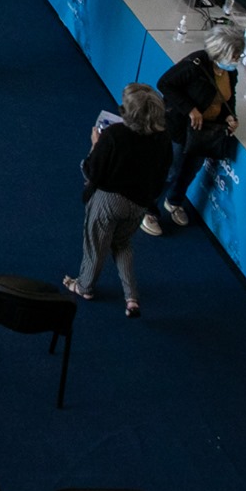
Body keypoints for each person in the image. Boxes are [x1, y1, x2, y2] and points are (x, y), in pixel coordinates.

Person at [65, 83, 168, 316]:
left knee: (95, 246)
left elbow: (92, 172)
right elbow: (163, 175)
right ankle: (131, 298)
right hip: (139, 204)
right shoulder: (162, 139)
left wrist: (95, 145)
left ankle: (84, 286)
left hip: (109, 202)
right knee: (122, 244)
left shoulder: (114, 135)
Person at [147, 25, 244, 234]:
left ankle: (174, 201)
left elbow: (229, 97)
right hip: (179, 127)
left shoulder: (230, 73)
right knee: (170, 170)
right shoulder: (195, 64)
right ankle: (148, 209)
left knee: (191, 170)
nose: (237, 59)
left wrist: (230, 116)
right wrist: (190, 109)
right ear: (221, 52)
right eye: (235, 55)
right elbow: (165, 84)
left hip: (205, 132)